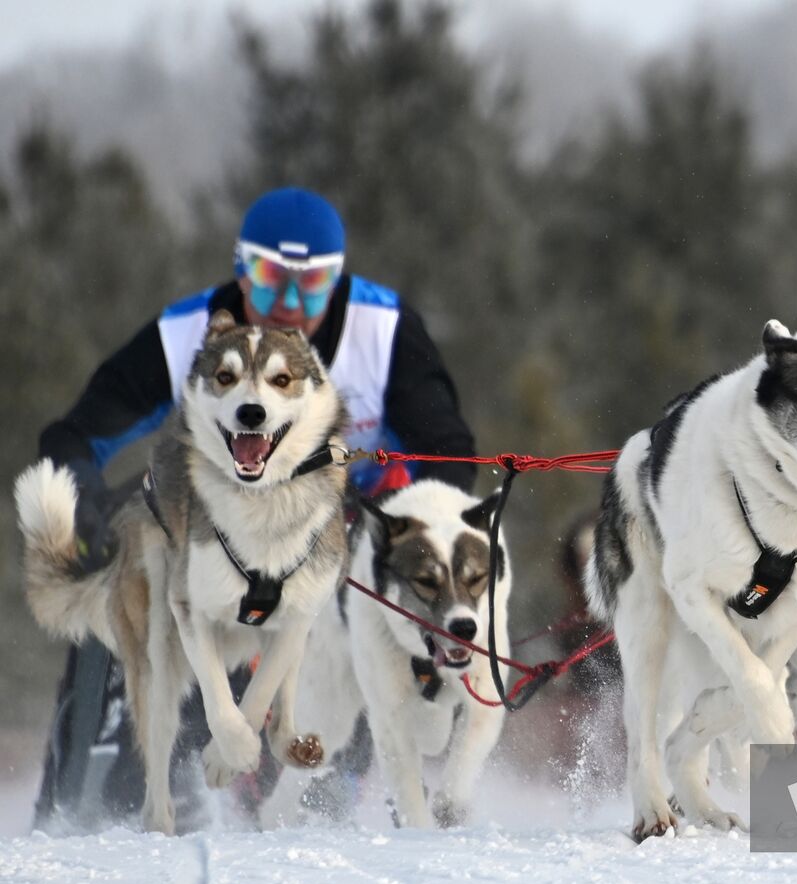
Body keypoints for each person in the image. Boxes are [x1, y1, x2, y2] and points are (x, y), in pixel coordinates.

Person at [34, 187, 479, 829]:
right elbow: (79, 433)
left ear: (340, 276)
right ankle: (101, 796)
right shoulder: (193, 332)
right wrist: (84, 496)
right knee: (137, 575)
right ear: (242, 268)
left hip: (337, 536)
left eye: (314, 282)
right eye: (272, 279)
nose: (293, 304)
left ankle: (336, 785)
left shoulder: (382, 330)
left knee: (355, 597)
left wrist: (385, 506)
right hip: (219, 531)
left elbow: (450, 457)